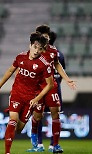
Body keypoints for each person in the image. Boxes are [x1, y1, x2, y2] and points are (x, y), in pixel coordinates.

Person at [0, 32, 54, 154]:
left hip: (31, 99)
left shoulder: (44, 64)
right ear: (30, 45)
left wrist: (37, 99)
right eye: (35, 47)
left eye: (40, 49)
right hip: (17, 94)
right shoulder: (20, 57)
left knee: (19, 129)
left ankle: (12, 129)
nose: (36, 51)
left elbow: (50, 85)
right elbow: (10, 71)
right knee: (12, 120)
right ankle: (7, 152)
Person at [27, 25, 76, 153]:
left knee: (55, 114)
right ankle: (37, 145)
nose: (46, 39)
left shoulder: (54, 51)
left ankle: (55, 145)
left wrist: (67, 79)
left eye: (47, 37)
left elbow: (58, 65)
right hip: (38, 88)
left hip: (52, 86)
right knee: (37, 117)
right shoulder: (33, 50)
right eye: (43, 37)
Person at [37, 31, 66, 152]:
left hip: (42, 88)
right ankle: (53, 144)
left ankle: (39, 144)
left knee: (38, 116)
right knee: (55, 116)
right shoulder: (60, 54)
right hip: (55, 87)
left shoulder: (40, 53)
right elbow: (61, 72)